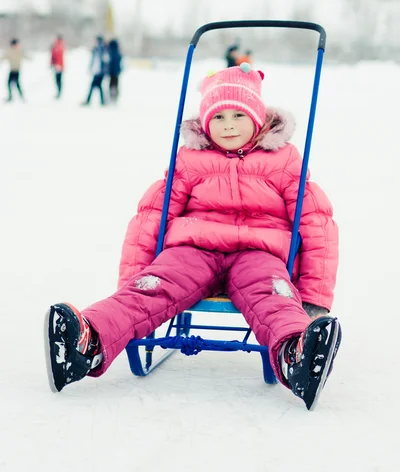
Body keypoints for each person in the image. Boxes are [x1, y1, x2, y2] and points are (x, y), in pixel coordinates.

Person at [45, 62, 341, 410]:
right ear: (204, 123)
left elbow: (317, 223)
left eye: (238, 115)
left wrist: (314, 297)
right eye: (217, 117)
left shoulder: (285, 162)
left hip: (259, 254)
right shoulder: (190, 160)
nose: (228, 125)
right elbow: (152, 216)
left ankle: (297, 354)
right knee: (153, 288)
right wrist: (134, 278)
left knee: (273, 296)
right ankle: (87, 343)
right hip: (192, 249)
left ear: (258, 118)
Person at [81, 36, 109, 106]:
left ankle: (88, 101)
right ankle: (102, 102)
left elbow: (105, 60)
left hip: (100, 72)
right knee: (98, 86)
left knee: (93, 86)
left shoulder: (102, 49)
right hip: (97, 71)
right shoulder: (96, 49)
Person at [107, 39, 123, 103]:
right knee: (115, 85)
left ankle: (113, 97)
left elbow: (112, 63)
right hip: (116, 72)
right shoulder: (118, 52)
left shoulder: (112, 52)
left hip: (113, 72)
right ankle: (114, 97)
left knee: (112, 85)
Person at [50, 35, 65, 99]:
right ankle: (58, 92)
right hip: (57, 66)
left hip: (58, 66)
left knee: (58, 80)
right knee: (57, 80)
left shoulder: (59, 46)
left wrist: (58, 65)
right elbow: (53, 56)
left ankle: (59, 93)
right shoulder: (55, 46)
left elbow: (59, 57)